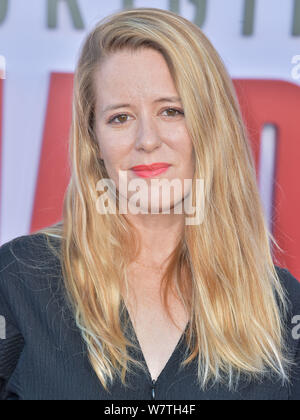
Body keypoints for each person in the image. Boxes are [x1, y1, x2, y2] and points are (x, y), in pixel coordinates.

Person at [0, 7, 299, 401]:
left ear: (212, 126)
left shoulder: (281, 305)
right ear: (95, 142)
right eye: (120, 118)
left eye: (171, 111)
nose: (147, 140)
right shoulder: (19, 280)